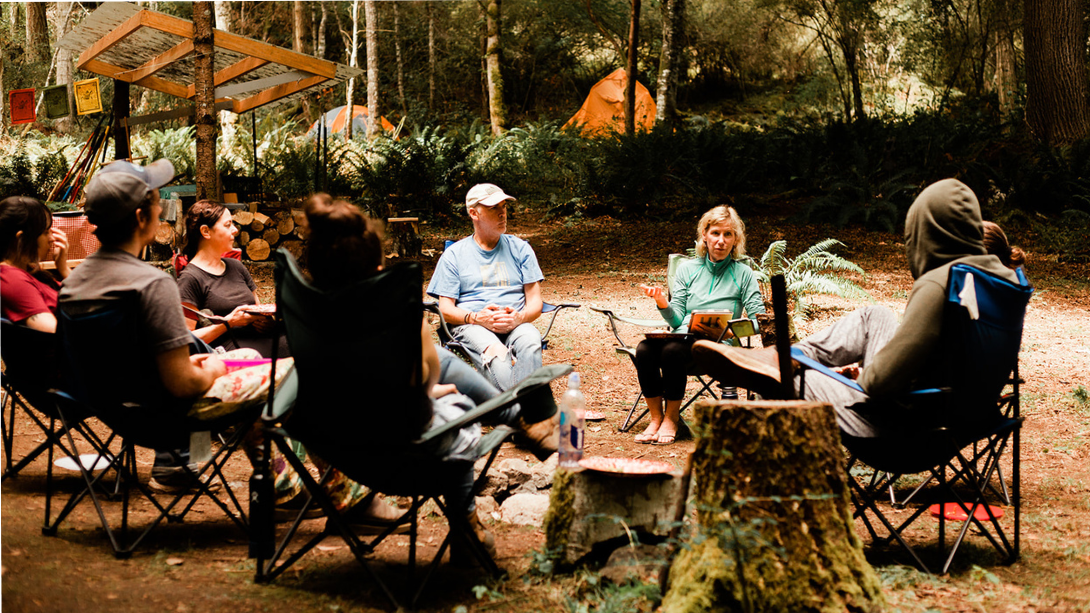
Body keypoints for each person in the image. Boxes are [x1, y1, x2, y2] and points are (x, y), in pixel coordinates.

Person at [304, 195, 562, 559]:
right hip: (406, 453)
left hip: (337, 444)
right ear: (375, 266)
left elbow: (363, 382)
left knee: (440, 367)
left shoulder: (304, 316)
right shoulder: (396, 316)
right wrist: (431, 390)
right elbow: (426, 379)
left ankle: (515, 417)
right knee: (458, 406)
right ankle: (466, 525)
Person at [693, 179, 1022, 438]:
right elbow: (953, 361)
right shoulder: (1002, 282)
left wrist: (865, 373)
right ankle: (782, 357)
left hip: (902, 428)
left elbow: (878, 385)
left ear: (926, 231)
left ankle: (780, 364)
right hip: (966, 418)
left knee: (786, 381)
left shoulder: (941, 283)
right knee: (875, 315)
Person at [57, 160, 295, 494]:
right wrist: (211, 367)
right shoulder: (151, 284)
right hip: (166, 418)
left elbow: (133, 358)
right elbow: (183, 385)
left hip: (116, 411)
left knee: (245, 357)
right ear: (141, 218)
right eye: (156, 205)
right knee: (295, 370)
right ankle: (297, 491)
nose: (160, 213)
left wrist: (194, 361)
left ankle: (179, 466)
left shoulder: (73, 283)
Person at [632, 205, 765, 445]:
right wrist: (662, 302)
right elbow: (676, 319)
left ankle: (672, 419)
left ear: (736, 239)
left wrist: (731, 329)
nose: (721, 241)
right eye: (715, 233)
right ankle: (656, 418)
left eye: (727, 234)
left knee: (672, 351)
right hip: (683, 337)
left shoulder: (743, 273)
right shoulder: (687, 269)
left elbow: (760, 321)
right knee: (644, 349)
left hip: (718, 347)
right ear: (705, 235)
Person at [426, 183, 544, 391]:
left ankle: (517, 404)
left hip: (515, 322)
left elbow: (535, 302)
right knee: (496, 353)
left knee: (531, 341)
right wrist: (476, 318)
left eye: (504, 206)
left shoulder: (521, 249)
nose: (502, 213)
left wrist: (520, 317)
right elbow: (445, 309)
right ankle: (524, 404)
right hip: (472, 324)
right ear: (474, 213)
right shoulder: (454, 255)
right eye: (493, 208)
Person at [177, 200, 286, 357]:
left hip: (267, 340)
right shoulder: (190, 278)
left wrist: (266, 322)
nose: (235, 230)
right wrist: (229, 322)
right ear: (206, 231)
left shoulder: (236, 266)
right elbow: (186, 342)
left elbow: (258, 309)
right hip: (237, 354)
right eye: (228, 225)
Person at [0, 196, 70, 332]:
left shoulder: (31, 272)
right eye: (45, 232)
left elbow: (83, 297)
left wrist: (63, 268)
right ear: (21, 239)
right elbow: (52, 331)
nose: (52, 238)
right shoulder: (11, 279)